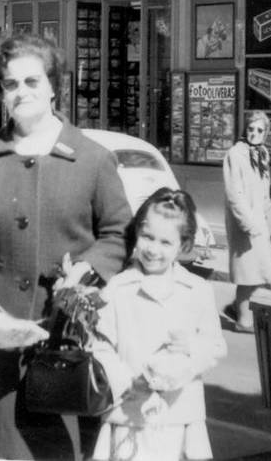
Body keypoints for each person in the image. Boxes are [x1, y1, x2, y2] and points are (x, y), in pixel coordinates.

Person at [0, 33, 133, 460]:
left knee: (68, 451)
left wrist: (89, 269)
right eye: (10, 84)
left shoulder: (92, 158)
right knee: (17, 451)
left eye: (33, 81)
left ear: (53, 86)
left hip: (72, 336)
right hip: (5, 333)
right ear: (0, 92)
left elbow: (119, 234)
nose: (22, 92)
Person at [92, 188, 227, 461]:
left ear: (184, 245)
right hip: (129, 413)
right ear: (136, 235)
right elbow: (100, 346)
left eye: (166, 242)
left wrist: (191, 348)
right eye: (147, 237)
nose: (153, 249)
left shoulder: (196, 289)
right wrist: (126, 382)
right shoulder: (118, 288)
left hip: (180, 415)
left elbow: (215, 346)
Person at [222, 110, 271, 333]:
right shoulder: (235, 154)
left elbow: (259, 188)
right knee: (248, 272)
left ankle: (236, 306)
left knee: (262, 271)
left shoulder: (262, 153)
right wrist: (247, 223)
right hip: (244, 223)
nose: (254, 133)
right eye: (251, 129)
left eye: (260, 130)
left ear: (266, 133)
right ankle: (242, 320)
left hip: (258, 219)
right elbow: (234, 194)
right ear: (244, 129)